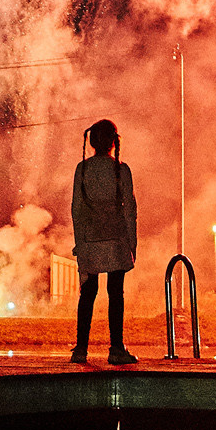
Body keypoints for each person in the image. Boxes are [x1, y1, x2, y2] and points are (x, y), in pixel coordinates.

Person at [69, 118, 139, 364]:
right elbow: (129, 209)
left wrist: (80, 242)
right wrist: (132, 242)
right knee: (115, 294)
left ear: (92, 143)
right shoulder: (122, 169)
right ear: (113, 142)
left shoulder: (83, 169)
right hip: (116, 240)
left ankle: (80, 349)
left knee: (87, 293)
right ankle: (116, 348)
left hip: (90, 240)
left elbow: (76, 208)